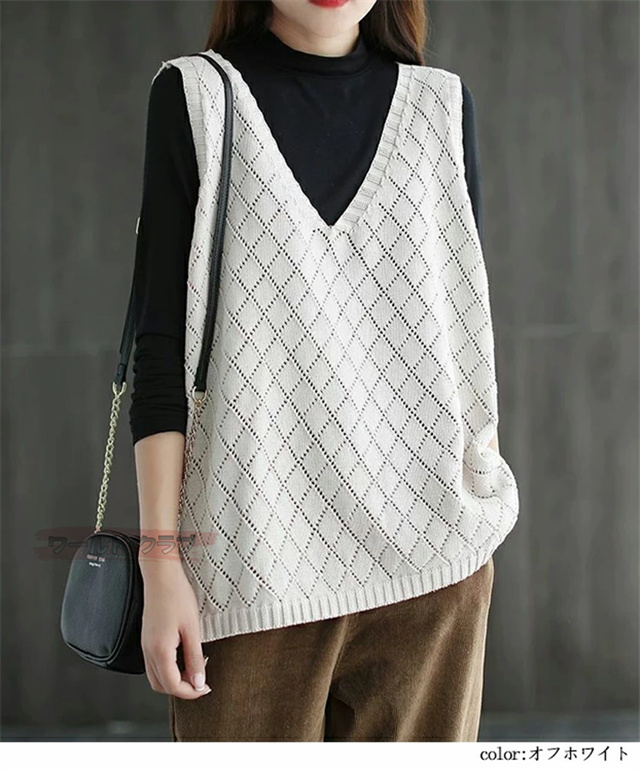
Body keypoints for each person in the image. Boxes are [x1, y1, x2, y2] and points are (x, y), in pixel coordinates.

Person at [129, 0, 520, 742]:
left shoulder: (440, 108)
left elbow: (462, 333)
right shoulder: (197, 97)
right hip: (251, 574)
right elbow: (159, 354)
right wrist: (161, 562)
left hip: (434, 567)